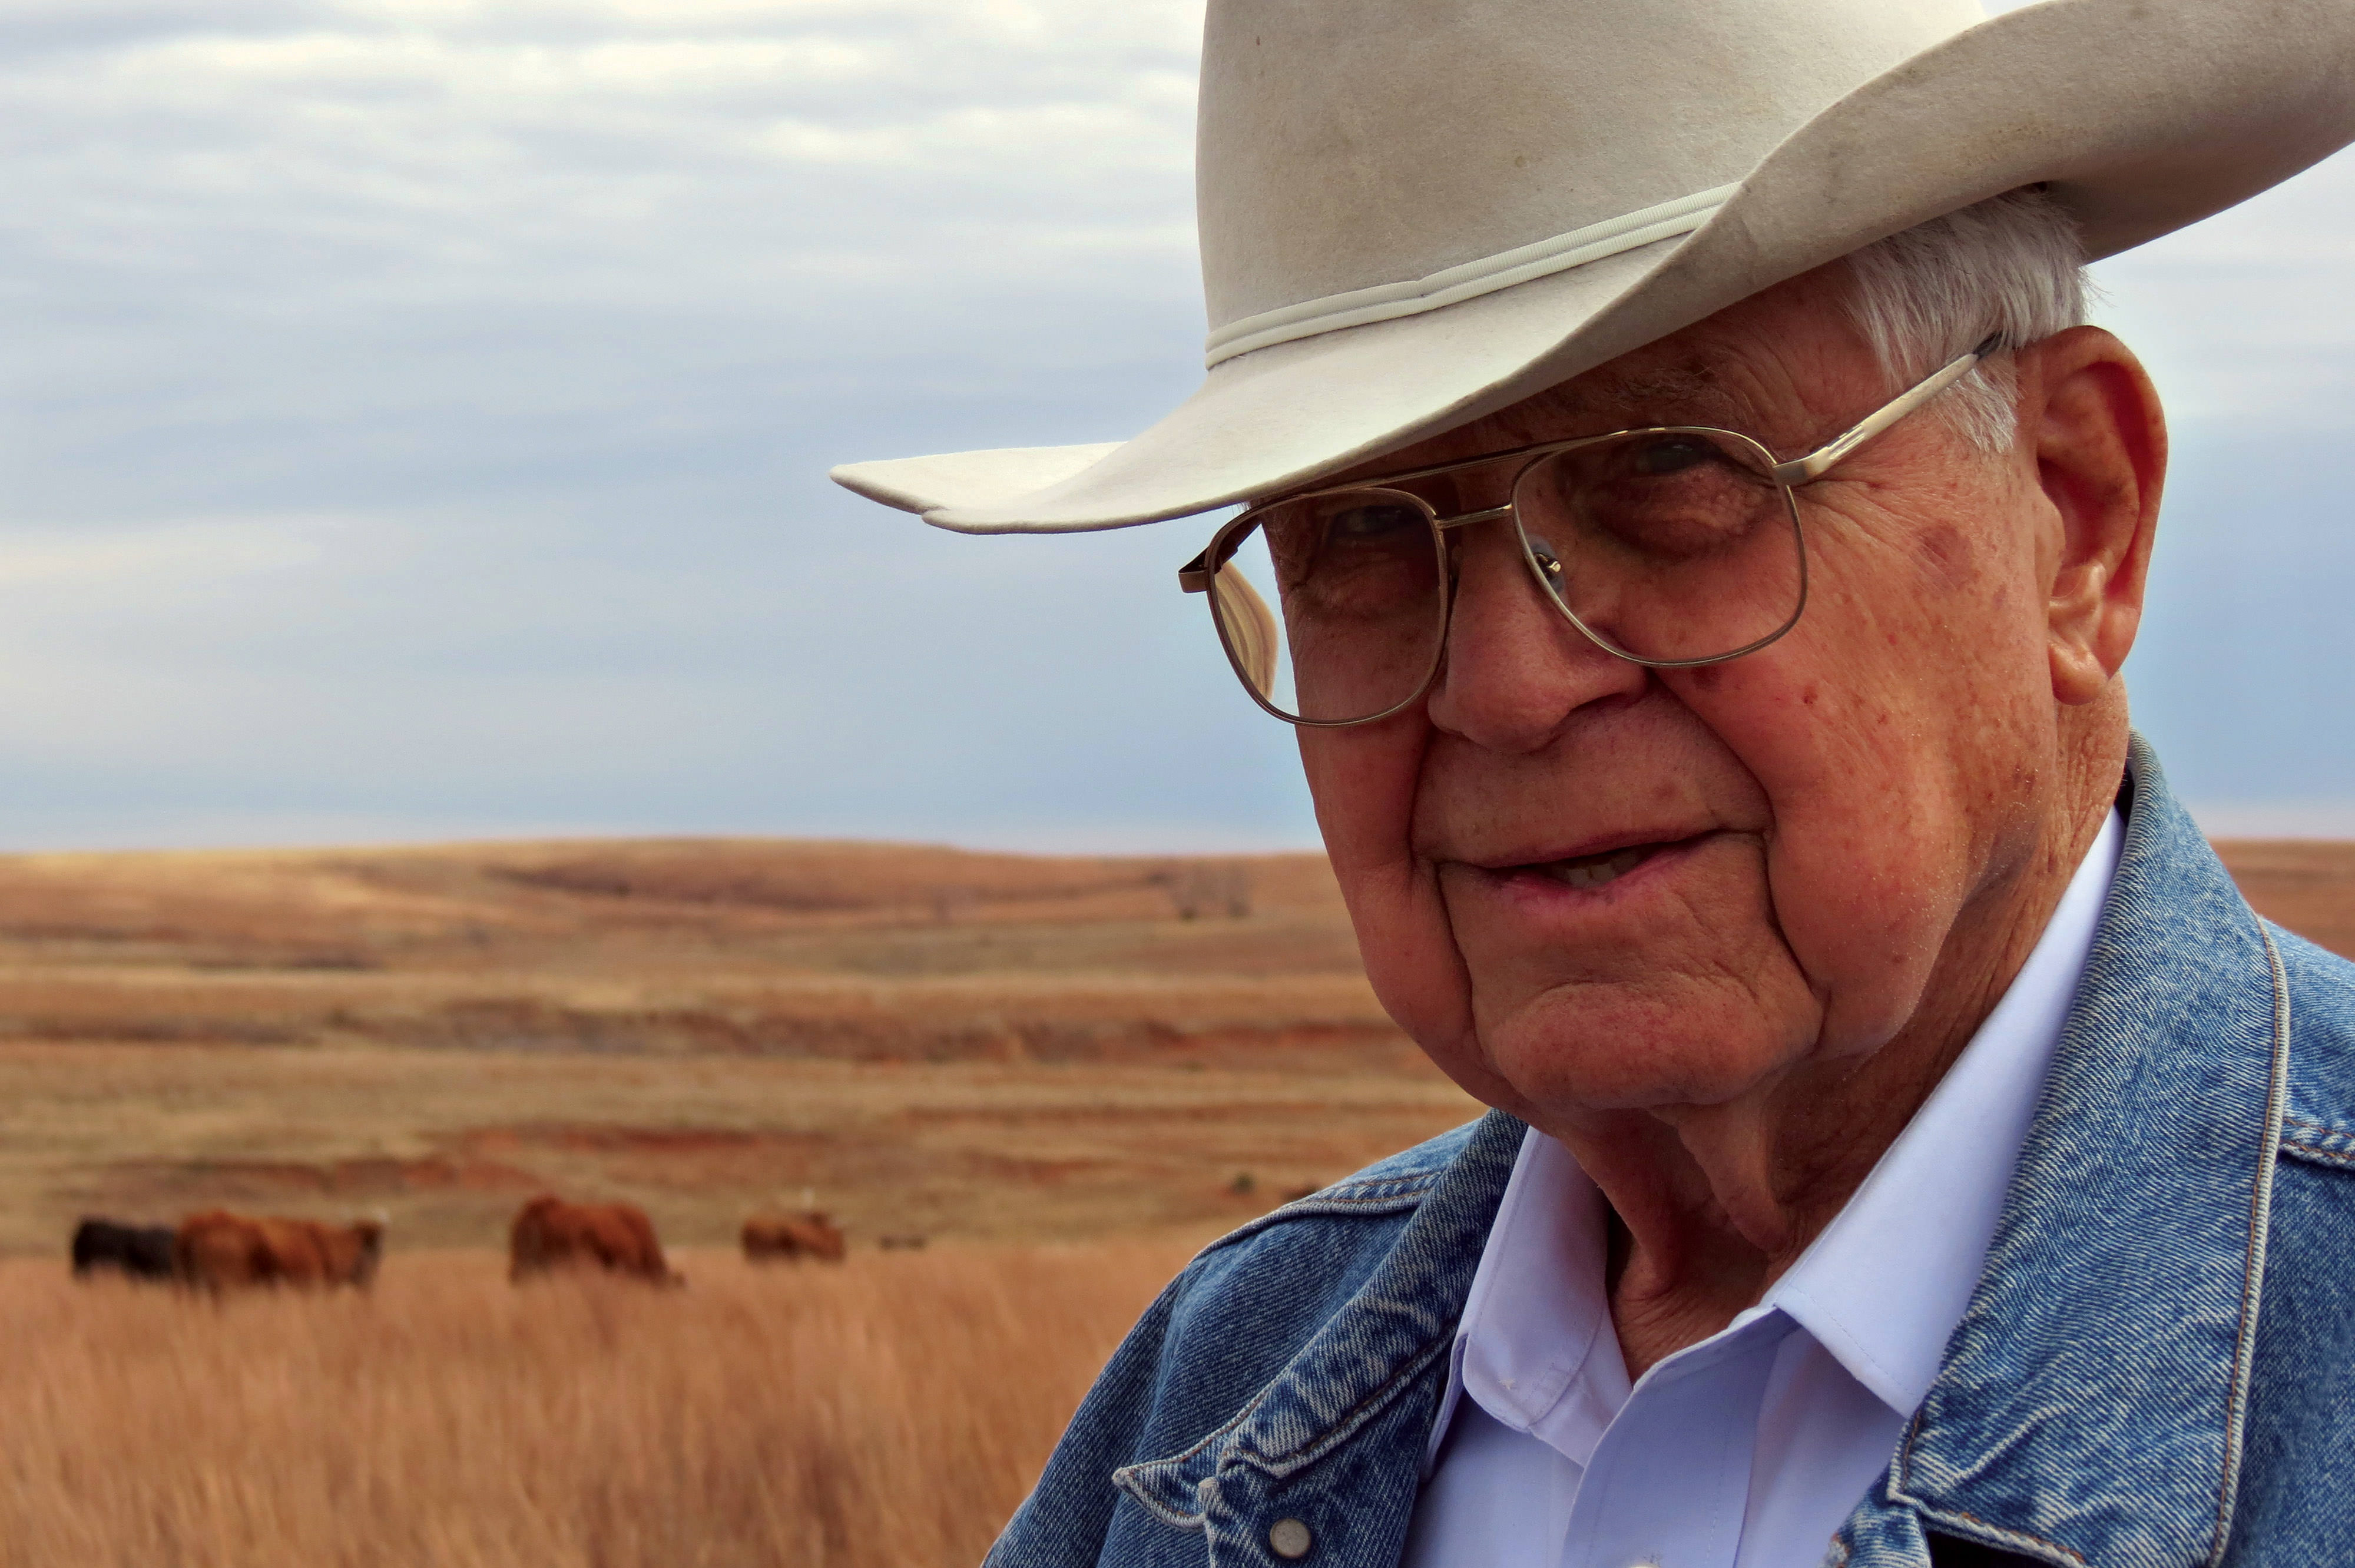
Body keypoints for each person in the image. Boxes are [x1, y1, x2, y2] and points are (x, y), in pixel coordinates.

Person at [831, 0, 2355, 1563]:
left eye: (1672, 471)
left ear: (2074, 514)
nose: (1505, 687)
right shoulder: (1206, 1400)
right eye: (1355, 533)